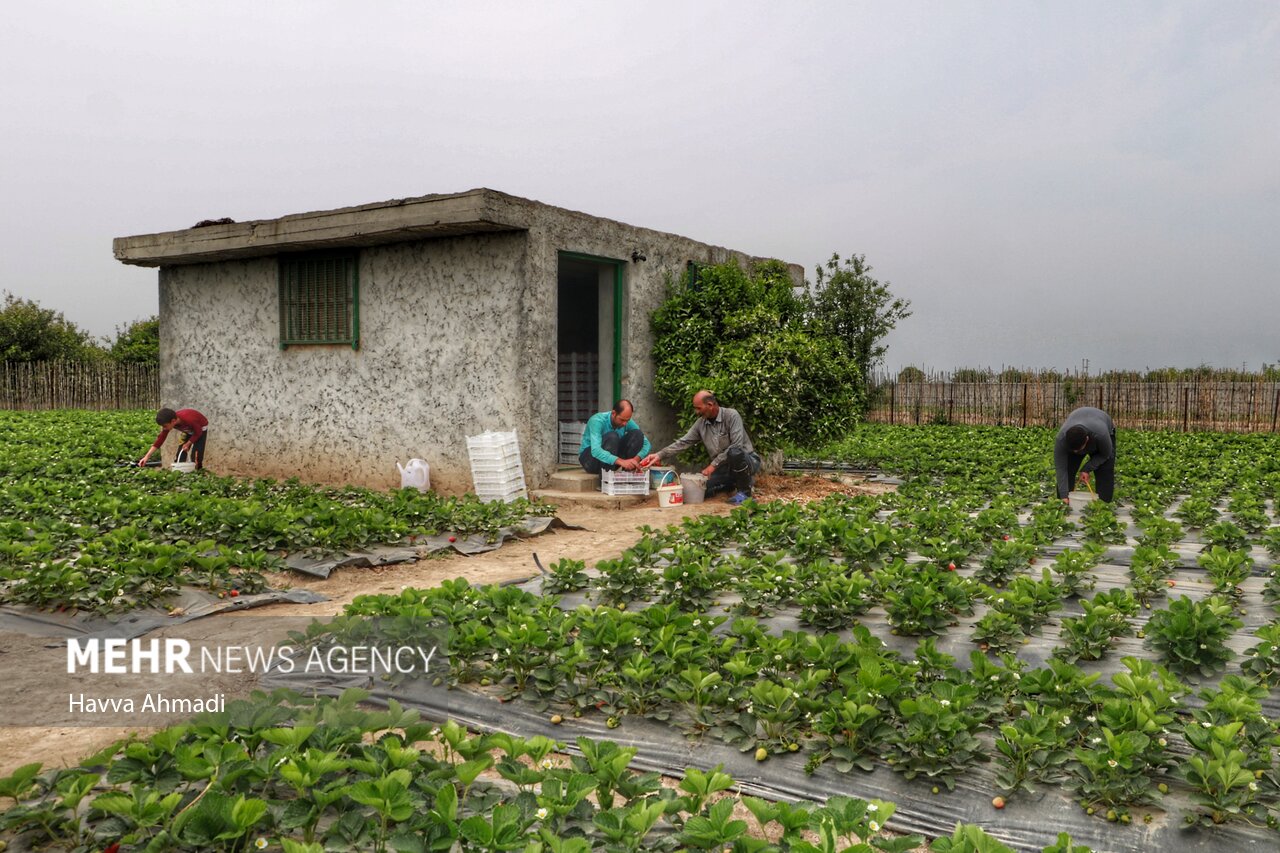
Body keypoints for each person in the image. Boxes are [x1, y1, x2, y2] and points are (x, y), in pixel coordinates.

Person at [642, 390, 761, 505]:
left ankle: (745, 494)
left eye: (698, 408)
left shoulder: (731, 415)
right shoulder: (701, 424)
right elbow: (683, 442)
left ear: (710, 405)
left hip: (748, 461)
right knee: (703, 489)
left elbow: (737, 445)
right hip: (724, 468)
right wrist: (659, 455)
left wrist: (713, 465)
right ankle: (735, 484)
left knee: (734, 452)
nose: (696, 412)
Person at [1054, 406, 1115, 504]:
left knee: (1105, 470)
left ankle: (1103, 505)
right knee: (1069, 468)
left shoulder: (1101, 435)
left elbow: (1105, 454)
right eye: (1073, 450)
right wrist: (1063, 495)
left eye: (1078, 450)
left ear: (1086, 440)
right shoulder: (1061, 439)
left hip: (1102, 425)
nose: (1076, 453)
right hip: (1079, 420)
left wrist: (1087, 468)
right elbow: (1061, 468)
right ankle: (1064, 503)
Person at [579, 399, 651, 475]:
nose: (624, 424)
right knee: (612, 437)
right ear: (613, 413)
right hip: (590, 460)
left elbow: (647, 444)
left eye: (627, 420)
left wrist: (634, 460)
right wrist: (622, 461)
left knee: (637, 434)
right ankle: (605, 482)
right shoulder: (597, 420)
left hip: (612, 461)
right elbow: (596, 451)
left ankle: (629, 476)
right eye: (622, 420)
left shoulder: (626, 422)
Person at [139, 407, 209, 470]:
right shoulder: (171, 422)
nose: (164, 428)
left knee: (196, 456)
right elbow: (160, 440)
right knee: (180, 453)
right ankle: (180, 472)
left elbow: (198, 432)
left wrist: (188, 443)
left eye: (165, 426)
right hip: (187, 430)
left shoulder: (189, 419)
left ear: (173, 421)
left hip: (200, 429)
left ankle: (198, 473)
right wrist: (146, 457)